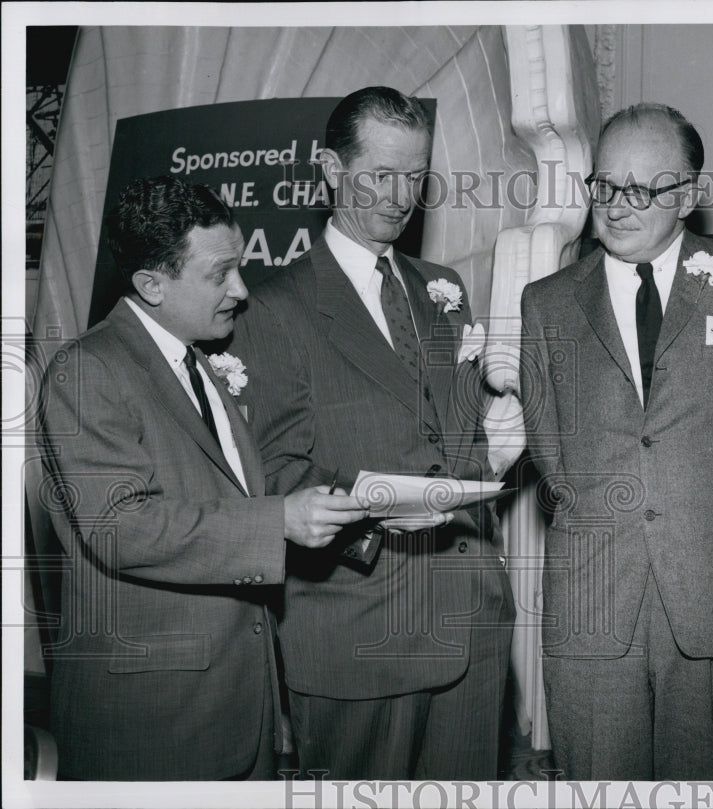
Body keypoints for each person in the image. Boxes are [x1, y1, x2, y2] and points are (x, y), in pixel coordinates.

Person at [37, 176, 368, 780]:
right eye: (221, 274)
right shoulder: (87, 370)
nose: (242, 291)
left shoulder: (197, 359)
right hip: (155, 726)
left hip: (239, 709)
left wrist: (365, 501)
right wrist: (280, 521)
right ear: (151, 285)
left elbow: (232, 488)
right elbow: (119, 525)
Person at [228, 86, 516, 780]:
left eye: (415, 177)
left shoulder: (442, 287)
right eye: (379, 175)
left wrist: (496, 450)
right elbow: (277, 474)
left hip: (471, 623)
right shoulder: (274, 307)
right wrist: (387, 517)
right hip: (361, 629)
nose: (399, 196)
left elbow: (449, 440)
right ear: (330, 168)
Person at [518, 103, 713, 780]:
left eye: (643, 190)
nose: (617, 206)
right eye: (605, 186)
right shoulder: (546, 303)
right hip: (594, 602)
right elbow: (548, 449)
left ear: (691, 194)